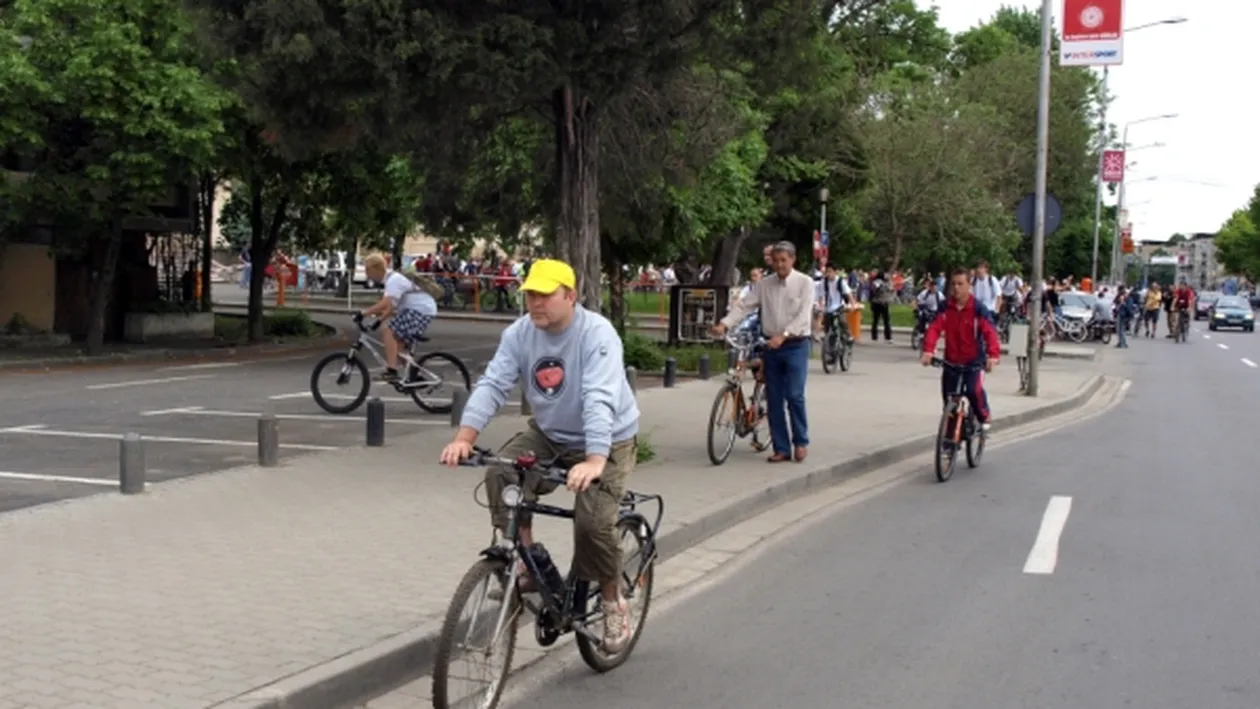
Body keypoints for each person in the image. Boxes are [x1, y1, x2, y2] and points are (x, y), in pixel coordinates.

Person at [438, 258, 640, 652]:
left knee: (592, 525)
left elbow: (599, 398)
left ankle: (615, 601)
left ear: (571, 296)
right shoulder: (520, 333)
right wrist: (465, 437)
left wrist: (596, 459)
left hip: (608, 440)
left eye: (545, 294)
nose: (535, 302)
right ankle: (528, 560)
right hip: (549, 434)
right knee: (500, 473)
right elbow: (494, 382)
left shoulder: (597, 334)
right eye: (530, 294)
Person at [712, 241, 814, 463]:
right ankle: (781, 448)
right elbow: (745, 306)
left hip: (795, 344)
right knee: (774, 397)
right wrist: (725, 324)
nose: (779, 265)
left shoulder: (805, 283)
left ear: (792, 260)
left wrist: (784, 335)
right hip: (771, 345)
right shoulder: (765, 285)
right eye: (776, 261)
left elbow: (803, 316)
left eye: (784, 261)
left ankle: (801, 441)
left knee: (794, 395)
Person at [919, 268, 1001, 431]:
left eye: (960, 284)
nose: (956, 288)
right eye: (953, 284)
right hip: (951, 361)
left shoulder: (978, 309)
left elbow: (990, 332)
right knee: (949, 401)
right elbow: (934, 328)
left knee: (973, 390)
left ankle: (984, 414)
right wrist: (928, 351)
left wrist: (993, 355)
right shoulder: (945, 307)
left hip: (973, 361)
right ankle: (949, 442)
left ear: (969, 285)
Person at [359, 253, 438, 383]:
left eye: (368, 271)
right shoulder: (390, 280)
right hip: (420, 309)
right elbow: (391, 308)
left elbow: (385, 303)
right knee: (398, 347)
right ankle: (414, 377)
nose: (367, 275)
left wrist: (363, 313)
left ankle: (391, 371)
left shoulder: (393, 280)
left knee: (389, 331)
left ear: (375, 268)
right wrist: (378, 321)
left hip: (420, 309)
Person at [813, 264, 854, 340]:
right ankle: (828, 339)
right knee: (827, 322)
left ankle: (848, 335)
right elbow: (821, 295)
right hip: (829, 306)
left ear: (835, 272)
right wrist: (821, 306)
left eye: (830, 271)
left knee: (842, 320)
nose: (828, 274)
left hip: (839, 305)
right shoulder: (824, 282)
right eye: (827, 272)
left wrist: (852, 304)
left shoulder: (840, 281)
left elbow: (849, 293)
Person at [869, 270, 893, 341]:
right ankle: (888, 336)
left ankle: (874, 336)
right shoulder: (885, 283)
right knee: (886, 320)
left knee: (875, 320)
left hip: (876, 302)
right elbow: (891, 289)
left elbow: (873, 290)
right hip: (883, 303)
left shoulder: (875, 282)